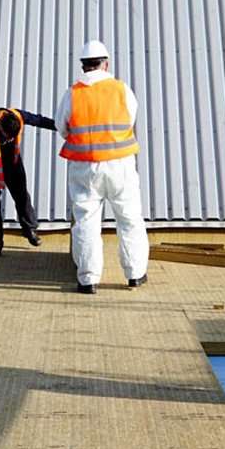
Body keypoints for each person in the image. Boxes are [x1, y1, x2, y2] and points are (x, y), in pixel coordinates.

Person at [57, 40, 149, 294]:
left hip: (85, 168)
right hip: (120, 166)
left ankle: (87, 279)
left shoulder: (72, 93)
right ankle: (135, 274)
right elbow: (130, 118)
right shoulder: (122, 89)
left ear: (83, 66)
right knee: (129, 219)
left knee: (86, 223)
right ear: (106, 63)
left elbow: (62, 127)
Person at [0, 105, 54, 261]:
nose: (9, 139)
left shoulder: (17, 116)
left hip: (12, 164)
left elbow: (39, 120)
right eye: (7, 136)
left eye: (12, 137)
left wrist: (61, 126)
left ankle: (30, 230)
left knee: (22, 195)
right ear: (1, 127)